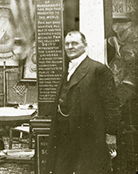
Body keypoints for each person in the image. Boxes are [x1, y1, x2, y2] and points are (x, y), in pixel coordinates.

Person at [46, 31, 121, 174]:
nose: (70, 47)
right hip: (65, 135)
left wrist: (111, 133)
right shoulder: (67, 70)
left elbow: (111, 104)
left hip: (89, 136)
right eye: (67, 44)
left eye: (75, 43)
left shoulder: (98, 70)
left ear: (85, 45)